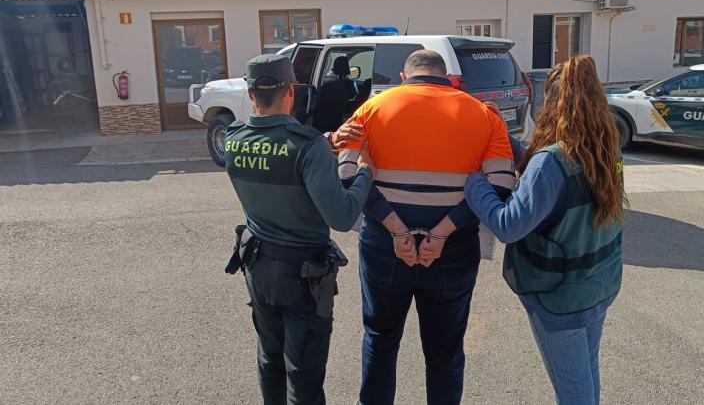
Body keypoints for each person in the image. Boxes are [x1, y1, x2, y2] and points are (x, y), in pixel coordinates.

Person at [334, 50, 515, 405]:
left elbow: (347, 179)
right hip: (453, 250)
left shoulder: (370, 109)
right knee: (445, 351)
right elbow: (501, 188)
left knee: (380, 339)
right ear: (447, 78)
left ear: (404, 77)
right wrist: (442, 232)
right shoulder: (484, 115)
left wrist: (398, 230)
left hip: (385, 246)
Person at [465, 55, 626, 405]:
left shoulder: (551, 162)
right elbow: (544, 177)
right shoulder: (605, 148)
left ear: (553, 103)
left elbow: (508, 226)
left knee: (574, 391)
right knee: (586, 374)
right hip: (599, 283)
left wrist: (472, 181)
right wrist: (502, 133)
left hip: (561, 296)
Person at [224, 54, 375, 405]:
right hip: (303, 278)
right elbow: (341, 217)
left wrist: (328, 140)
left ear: (250, 94)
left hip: (258, 266)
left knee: (270, 360)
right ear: (292, 91)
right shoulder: (307, 147)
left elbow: (278, 147)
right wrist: (365, 171)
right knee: (303, 376)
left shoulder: (233, 139)